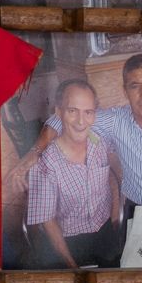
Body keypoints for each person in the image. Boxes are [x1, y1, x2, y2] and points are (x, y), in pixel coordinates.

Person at [11, 54, 142, 220]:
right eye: (134, 86)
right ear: (125, 91)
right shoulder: (115, 121)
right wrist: (34, 153)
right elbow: (62, 119)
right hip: (138, 212)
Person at [26, 80, 120, 268]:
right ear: (59, 112)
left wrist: (115, 214)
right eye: (72, 111)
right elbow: (47, 221)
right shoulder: (45, 164)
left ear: (95, 115)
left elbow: (110, 175)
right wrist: (72, 266)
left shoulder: (99, 143)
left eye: (88, 112)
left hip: (104, 230)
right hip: (66, 242)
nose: (80, 121)